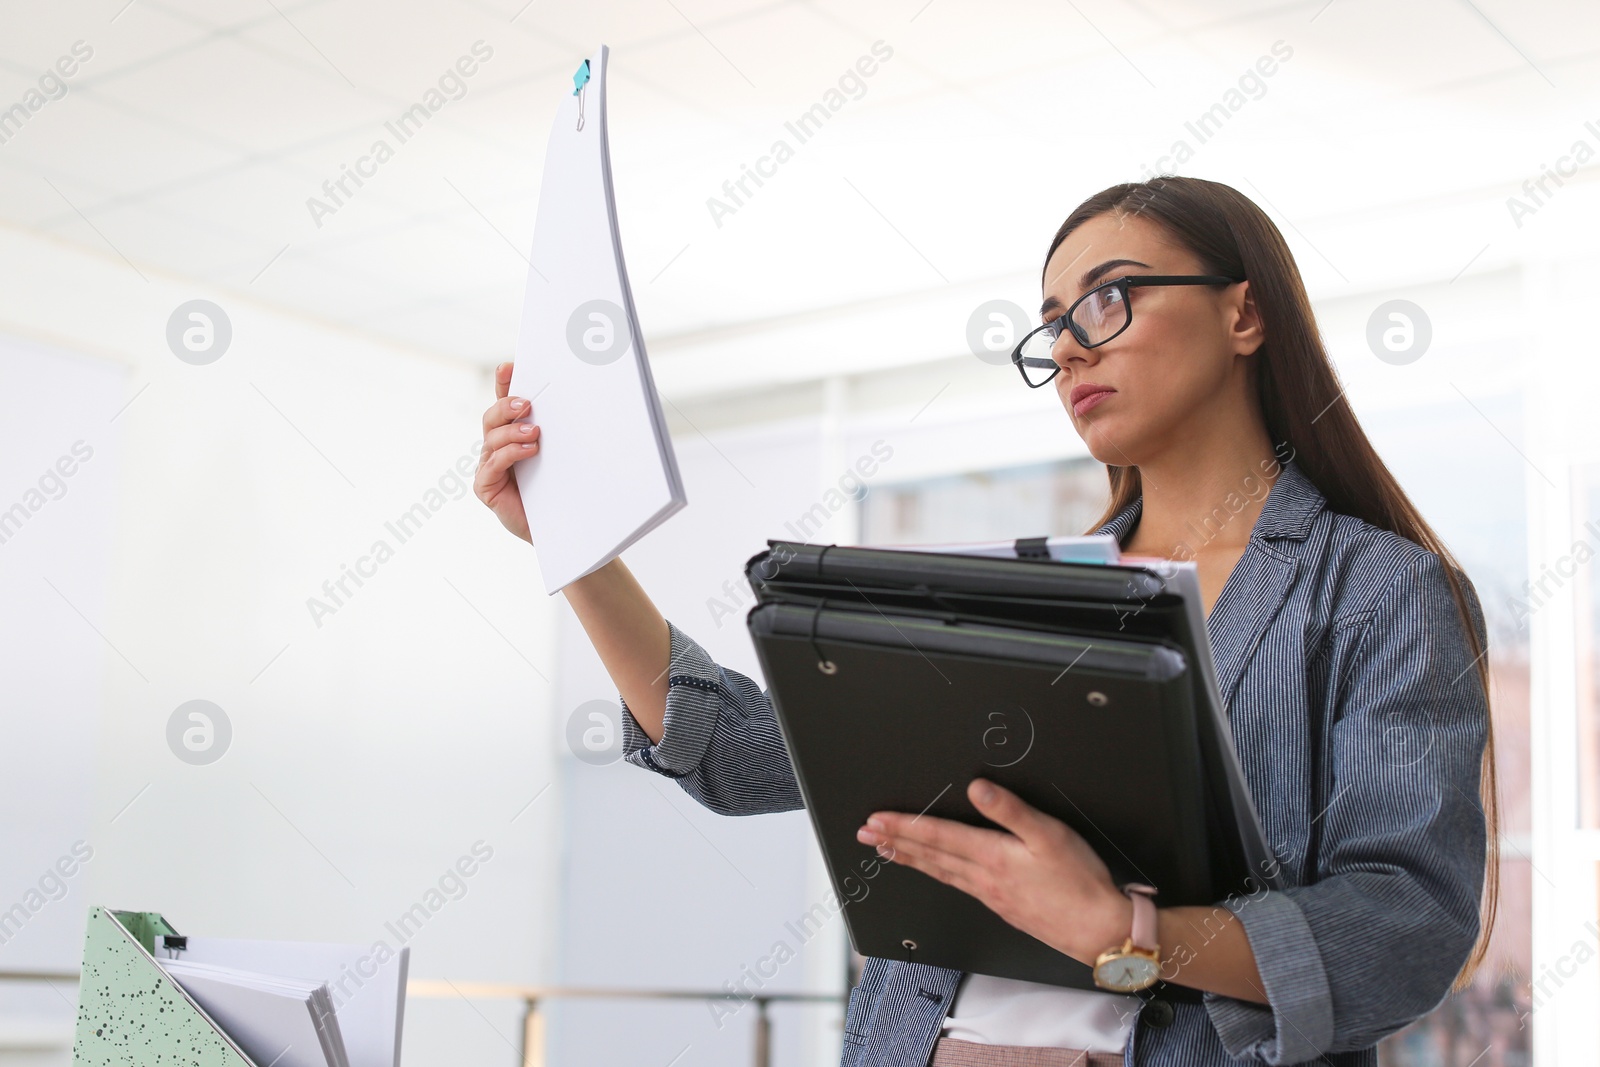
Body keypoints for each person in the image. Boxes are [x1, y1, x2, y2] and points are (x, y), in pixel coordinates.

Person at [474, 175, 1498, 1067]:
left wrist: (1125, 930)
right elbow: (743, 753)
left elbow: (1405, 924)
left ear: (1242, 314)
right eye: (1051, 321)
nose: (1065, 347)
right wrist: (577, 547)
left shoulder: (1376, 591)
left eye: (1106, 299)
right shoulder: (1029, 596)